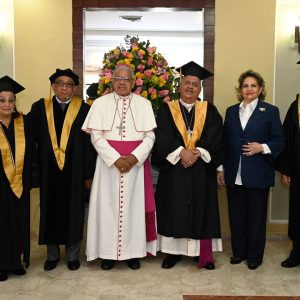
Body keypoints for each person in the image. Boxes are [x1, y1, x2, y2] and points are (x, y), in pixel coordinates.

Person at [82, 64, 157, 270]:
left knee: (134, 209)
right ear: (112, 80)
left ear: (134, 82)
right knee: (106, 209)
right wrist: (115, 159)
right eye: (118, 78)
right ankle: (108, 254)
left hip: (135, 166)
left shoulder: (144, 104)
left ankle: (132, 253)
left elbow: (150, 136)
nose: (122, 82)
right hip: (108, 166)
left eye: (126, 79)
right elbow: (96, 136)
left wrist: (134, 158)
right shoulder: (99, 104)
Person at [151, 61, 223, 270]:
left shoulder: (209, 109)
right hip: (175, 169)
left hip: (201, 169)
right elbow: (162, 136)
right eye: (186, 83)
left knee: (202, 208)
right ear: (179, 86)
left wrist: (197, 152)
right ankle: (172, 253)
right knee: (173, 208)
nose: (190, 87)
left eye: (195, 84)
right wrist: (181, 152)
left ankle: (199, 253)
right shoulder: (166, 109)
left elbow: (216, 135)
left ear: (200, 89)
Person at [217, 70, 285, 270]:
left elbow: (280, 140)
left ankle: (254, 256)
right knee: (236, 217)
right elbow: (224, 143)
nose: (249, 89)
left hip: (258, 173)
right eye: (245, 86)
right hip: (233, 173)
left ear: (260, 89)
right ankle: (239, 253)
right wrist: (220, 168)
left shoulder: (270, 111)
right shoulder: (231, 111)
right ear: (240, 89)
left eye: (253, 85)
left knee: (256, 218)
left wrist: (261, 147)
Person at [28, 68, 95, 271]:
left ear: (74, 88)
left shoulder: (84, 109)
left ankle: (73, 255)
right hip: (49, 171)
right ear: (53, 86)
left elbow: (90, 145)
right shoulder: (40, 108)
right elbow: (29, 138)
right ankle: (53, 255)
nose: (64, 87)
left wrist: (88, 174)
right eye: (60, 83)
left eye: (69, 84)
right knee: (50, 211)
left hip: (74, 172)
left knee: (74, 211)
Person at [0, 76, 32, 281]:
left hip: (19, 180)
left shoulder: (24, 122)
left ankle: (15, 261)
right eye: (2, 100)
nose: (7, 104)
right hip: (0, 184)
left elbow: (32, 153)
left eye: (11, 100)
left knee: (18, 223)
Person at [276, 93, 300, 268]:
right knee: (299, 212)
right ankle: (297, 253)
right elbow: (287, 137)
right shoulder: (297, 105)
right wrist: (286, 168)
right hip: (299, 170)